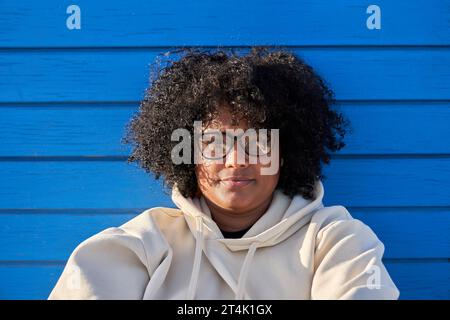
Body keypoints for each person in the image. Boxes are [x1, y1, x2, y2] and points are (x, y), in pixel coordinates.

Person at [48, 47, 399, 299]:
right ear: (187, 154)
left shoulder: (337, 242)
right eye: (215, 142)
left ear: (286, 152)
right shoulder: (142, 245)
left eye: (258, 141)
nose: (236, 160)